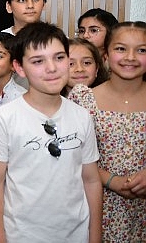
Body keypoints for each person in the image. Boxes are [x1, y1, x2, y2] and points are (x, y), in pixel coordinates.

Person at [0, 22, 102, 242]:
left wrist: (95, 236)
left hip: (75, 233)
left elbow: (91, 180)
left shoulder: (82, 116)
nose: (52, 68)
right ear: (19, 67)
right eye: (38, 61)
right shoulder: (5, 117)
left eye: (59, 57)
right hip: (22, 234)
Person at [68, 21, 146, 241]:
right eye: (121, 48)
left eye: (141, 50)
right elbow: (73, 155)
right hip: (97, 204)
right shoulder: (83, 99)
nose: (130, 57)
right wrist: (112, 180)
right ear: (106, 55)